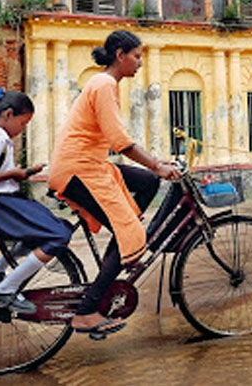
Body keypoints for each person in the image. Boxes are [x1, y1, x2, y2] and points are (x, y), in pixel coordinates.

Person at [48, 30, 181, 339]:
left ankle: (122, 242)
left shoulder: (105, 84)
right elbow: (120, 142)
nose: (140, 63)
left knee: (147, 183)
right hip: (79, 170)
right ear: (120, 55)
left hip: (88, 165)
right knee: (129, 233)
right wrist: (158, 164)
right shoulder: (105, 84)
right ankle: (86, 312)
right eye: (136, 56)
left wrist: (155, 167)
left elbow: (116, 139)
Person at [0, 88, 73, 314]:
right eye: (23, 123)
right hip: (3, 203)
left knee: (56, 228)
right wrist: (14, 174)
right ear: (7, 114)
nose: (23, 128)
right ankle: (5, 289)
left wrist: (23, 173)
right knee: (60, 235)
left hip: (8, 200)